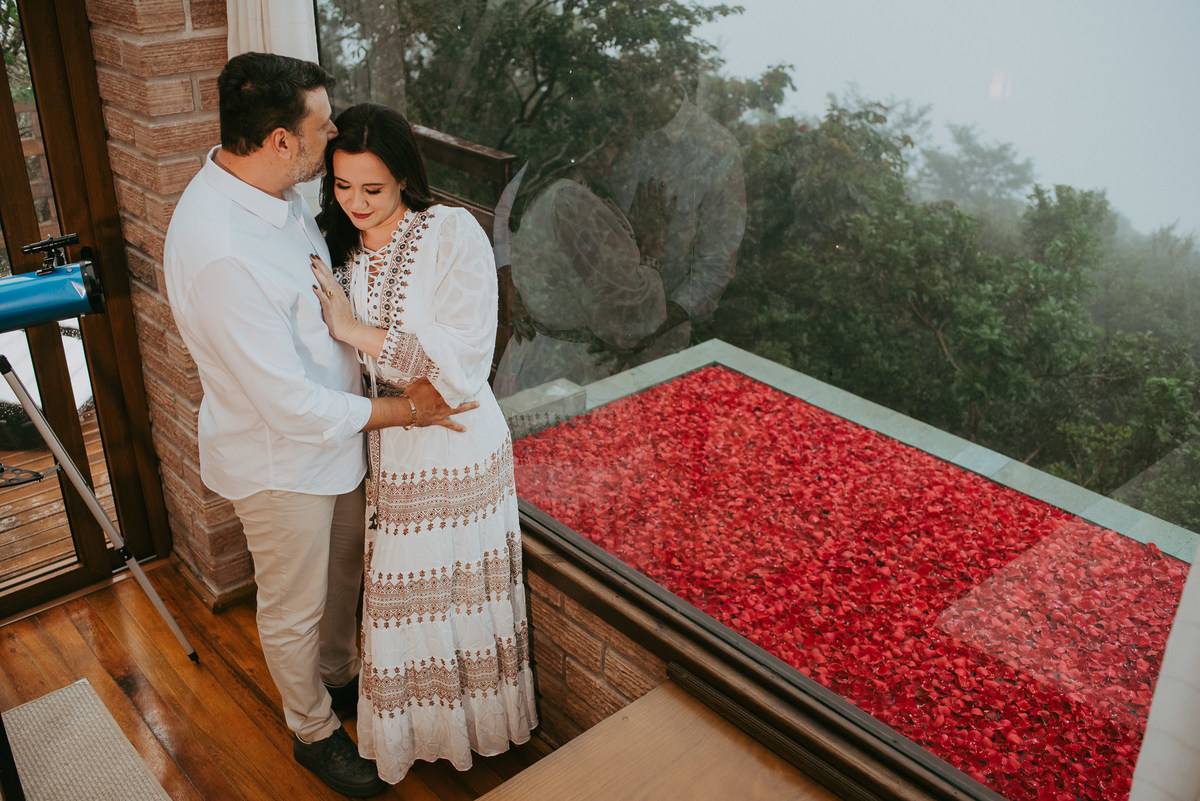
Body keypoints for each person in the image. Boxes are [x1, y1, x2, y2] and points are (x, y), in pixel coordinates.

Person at [163, 53, 473, 798]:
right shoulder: (222, 253)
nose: (332, 131)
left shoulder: (277, 188)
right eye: (320, 123)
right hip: (283, 462)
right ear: (278, 140)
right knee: (294, 608)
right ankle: (312, 730)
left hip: (336, 441)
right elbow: (291, 408)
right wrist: (409, 410)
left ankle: (338, 680)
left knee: (341, 577)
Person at [309, 102, 538, 784]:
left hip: (461, 446)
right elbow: (408, 374)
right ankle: (417, 735)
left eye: (372, 189)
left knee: (454, 596)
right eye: (342, 186)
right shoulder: (339, 246)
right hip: (397, 443)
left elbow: (462, 362)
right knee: (401, 598)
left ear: (405, 179)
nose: (355, 202)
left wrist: (355, 332)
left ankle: (474, 733)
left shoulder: (451, 233)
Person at [491, 176, 672, 397]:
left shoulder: (562, 187)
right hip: (569, 373)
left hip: (541, 358)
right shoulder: (569, 198)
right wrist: (652, 249)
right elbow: (628, 312)